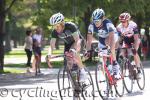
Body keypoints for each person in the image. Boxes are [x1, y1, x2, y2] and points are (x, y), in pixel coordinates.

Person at [49, 12, 87, 82]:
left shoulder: (70, 26)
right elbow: (52, 45)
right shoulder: (54, 32)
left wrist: (75, 50)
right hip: (68, 44)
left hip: (78, 41)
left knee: (73, 51)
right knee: (68, 62)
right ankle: (74, 83)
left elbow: (77, 40)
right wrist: (49, 54)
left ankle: (83, 72)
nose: (56, 28)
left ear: (62, 23)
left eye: (57, 26)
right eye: (54, 26)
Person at [86, 8, 121, 79]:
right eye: (94, 21)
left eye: (98, 21)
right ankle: (108, 78)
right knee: (103, 59)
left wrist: (110, 48)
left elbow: (111, 37)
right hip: (102, 39)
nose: (96, 23)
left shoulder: (108, 23)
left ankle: (115, 64)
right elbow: (89, 40)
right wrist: (88, 50)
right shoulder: (91, 26)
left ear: (103, 19)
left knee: (110, 47)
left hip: (112, 36)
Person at [117, 12, 141, 77]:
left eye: (124, 21)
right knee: (122, 53)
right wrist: (119, 47)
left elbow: (136, 39)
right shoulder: (119, 27)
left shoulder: (133, 25)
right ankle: (126, 66)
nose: (123, 23)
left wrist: (135, 49)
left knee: (134, 52)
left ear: (128, 20)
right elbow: (119, 39)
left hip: (134, 38)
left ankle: (138, 69)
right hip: (126, 39)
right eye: (121, 21)